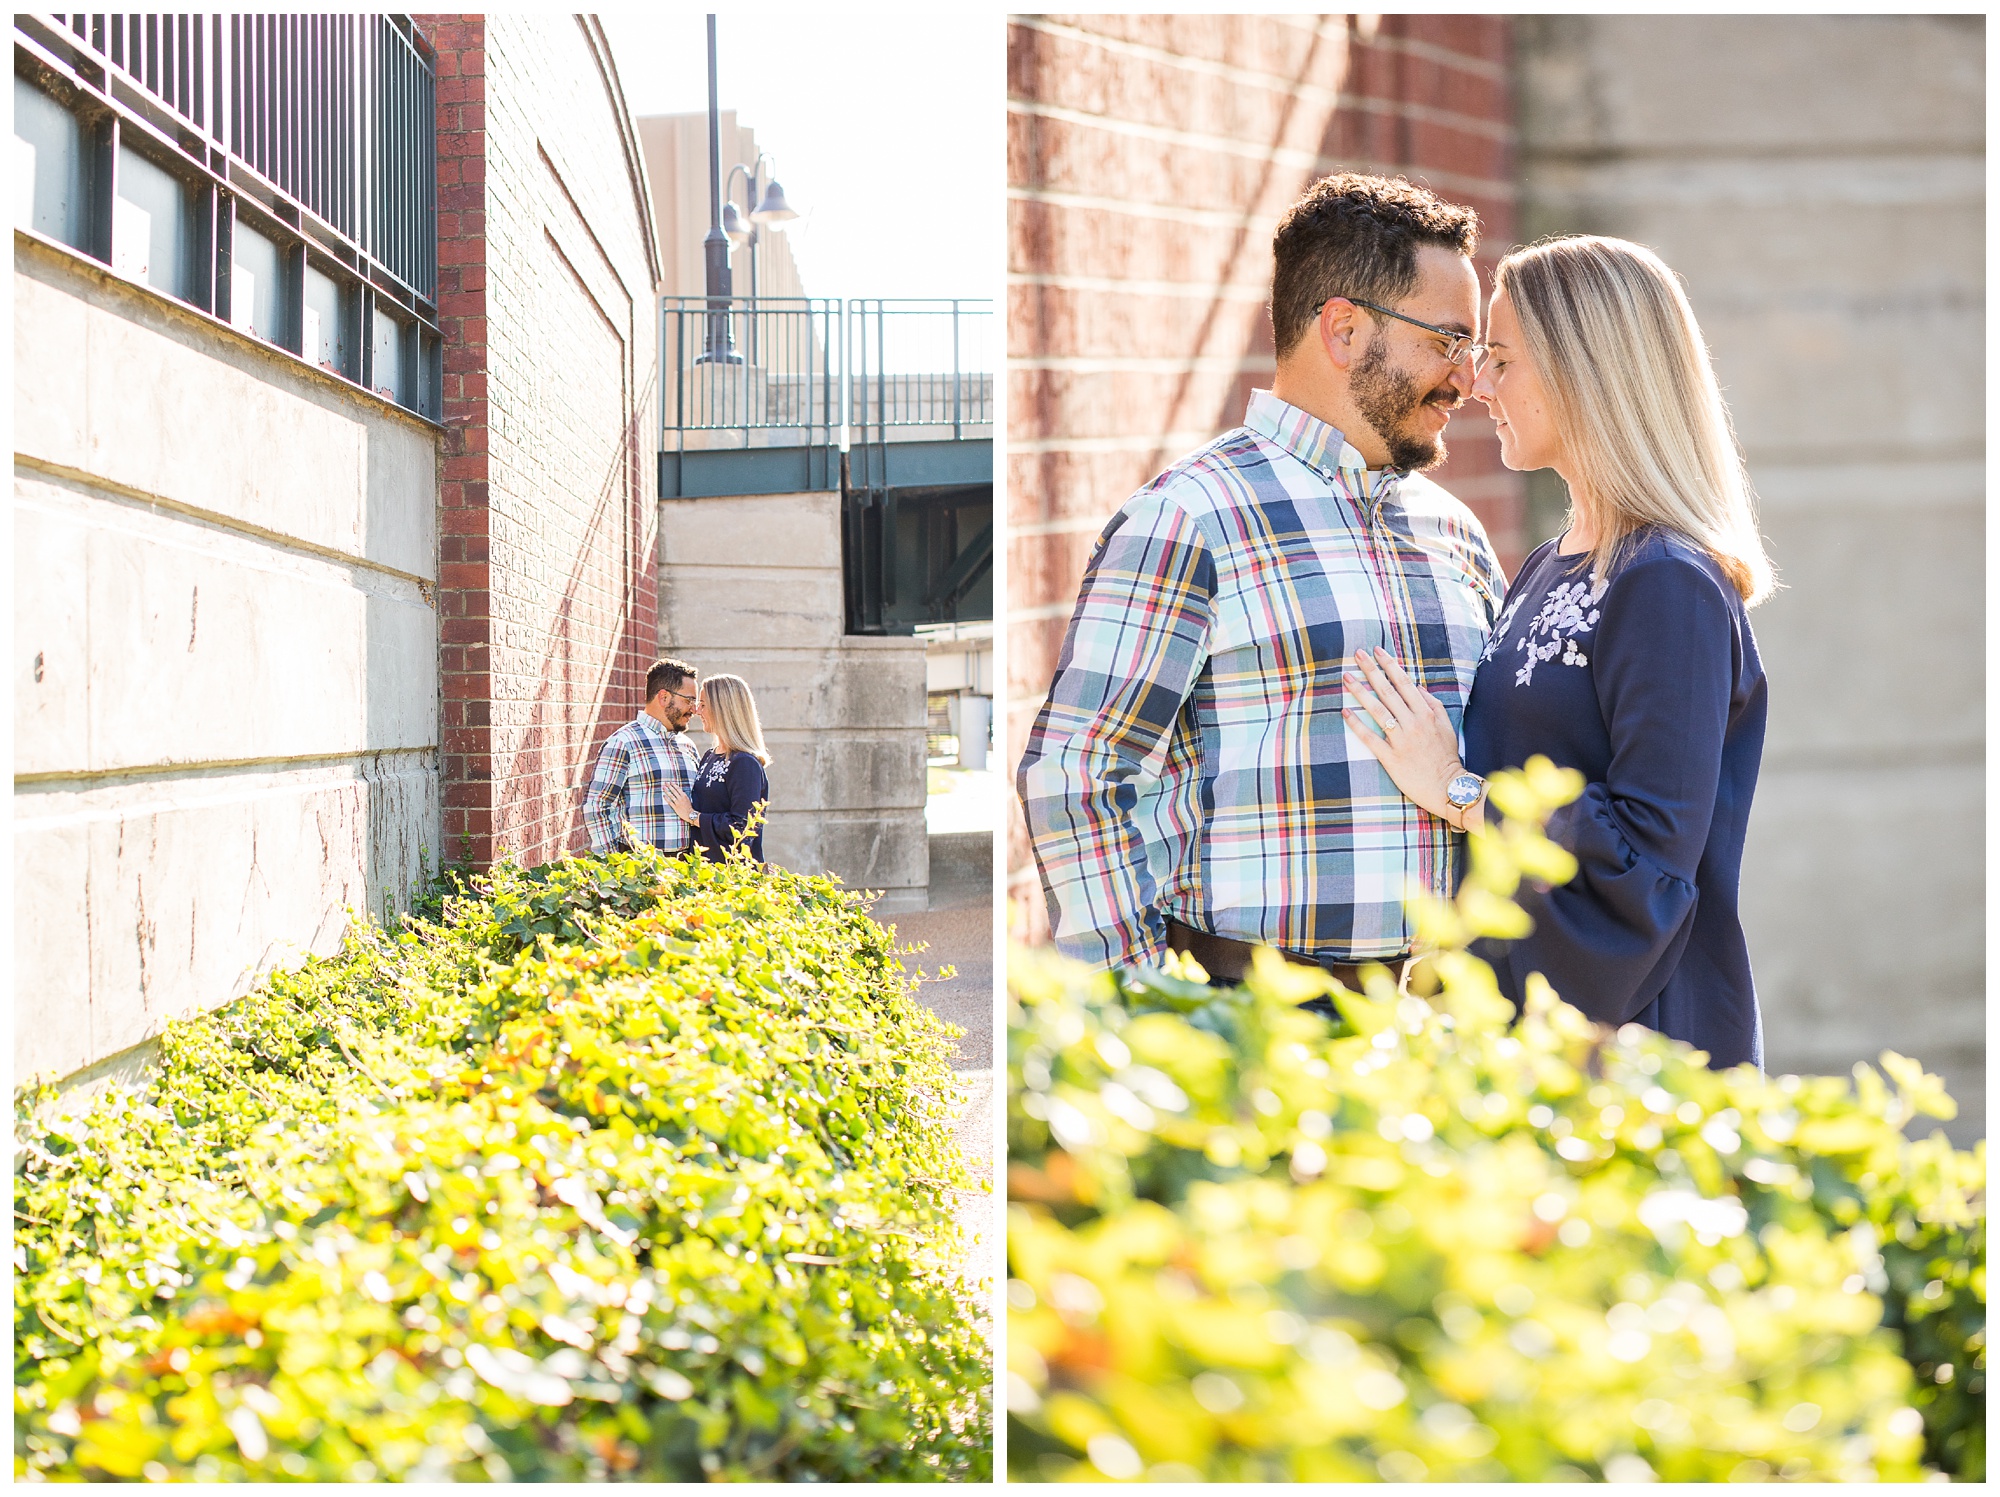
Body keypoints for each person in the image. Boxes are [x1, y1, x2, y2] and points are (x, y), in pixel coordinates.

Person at [1018, 172, 1505, 989]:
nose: (1467, 379)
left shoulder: (1455, 531)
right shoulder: (1190, 517)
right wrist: (1148, 1008)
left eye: (1475, 350)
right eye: (1447, 341)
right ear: (1344, 330)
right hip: (1252, 1027)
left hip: (1438, 1036)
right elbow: (1077, 777)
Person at [1342, 235, 1774, 1069]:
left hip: (1639, 1048)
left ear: (1587, 370)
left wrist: (1462, 791)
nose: (1477, 384)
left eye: (1501, 359)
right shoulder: (1548, 563)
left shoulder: (1668, 583)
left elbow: (1650, 867)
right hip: (1522, 1033)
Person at [583, 656, 702, 856]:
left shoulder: (687, 746)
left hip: (687, 873)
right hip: (640, 871)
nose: (694, 709)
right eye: (689, 700)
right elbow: (597, 806)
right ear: (664, 697)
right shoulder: (623, 742)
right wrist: (613, 864)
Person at [666, 673, 771, 864]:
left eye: (704, 704)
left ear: (724, 710)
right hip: (703, 873)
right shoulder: (709, 756)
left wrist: (692, 816)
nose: (697, 710)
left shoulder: (744, 764)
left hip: (732, 880)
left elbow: (741, 829)